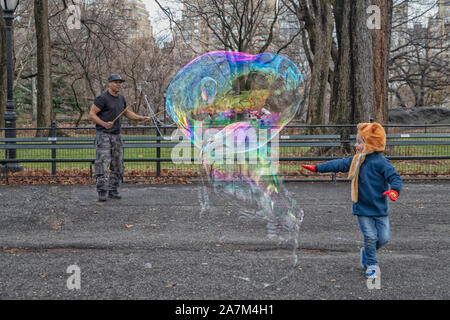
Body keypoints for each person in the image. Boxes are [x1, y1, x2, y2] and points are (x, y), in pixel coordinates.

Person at [301, 122, 402, 278]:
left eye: (360, 142)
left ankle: (367, 252)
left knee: (384, 238)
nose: (356, 145)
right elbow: (337, 164)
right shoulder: (356, 161)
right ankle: (372, 264)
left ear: (370, 144)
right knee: (370, 237)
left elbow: (394, 177)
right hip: (362, 207)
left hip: (380, 208)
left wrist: (395, 190)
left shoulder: (381, 163)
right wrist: (317, 168)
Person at [89, 73, 151, 202]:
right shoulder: (102, 99)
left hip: (116, 136)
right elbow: (92, 114)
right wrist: (104, 124)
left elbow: (126, 112)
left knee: (117, 164)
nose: (118, 84)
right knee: (102, 162)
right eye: (116, 82)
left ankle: (113, 189)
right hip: (104, 135)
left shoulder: (121, 99)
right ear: (109, 83)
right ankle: (102, 190)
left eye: (120, 82)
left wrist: (140, 118)